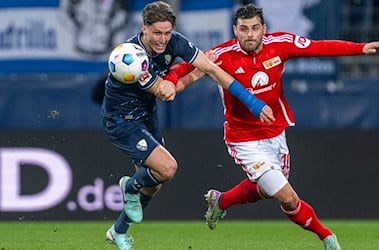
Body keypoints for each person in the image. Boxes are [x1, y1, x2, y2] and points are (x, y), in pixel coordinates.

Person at [166, 3, 379, 250]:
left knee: (266, 189)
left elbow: (319, 47)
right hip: (243, 139)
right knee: (287, 197)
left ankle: (221, 201)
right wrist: (169, 82)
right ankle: (328, 238)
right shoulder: (221, 54)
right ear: (235, 30)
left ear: (264, 28)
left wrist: (360, 48)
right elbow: (185, 66)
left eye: (254, 28)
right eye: (243, 29)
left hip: (275, 133)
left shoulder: (280, 44)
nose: (249, 34)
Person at [101, 2, 275, 250]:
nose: (163, 40)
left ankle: (118, 231)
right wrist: (196, 72)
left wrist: (252, 102)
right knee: (168, 168)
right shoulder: (131, 59)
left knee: (155, 183)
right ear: (144, 29)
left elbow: (212, 67)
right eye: (157, 33)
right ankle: (129, 186)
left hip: (146, 116)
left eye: (167, 33)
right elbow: (167, 92)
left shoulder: (176, 42)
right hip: (121, 121)